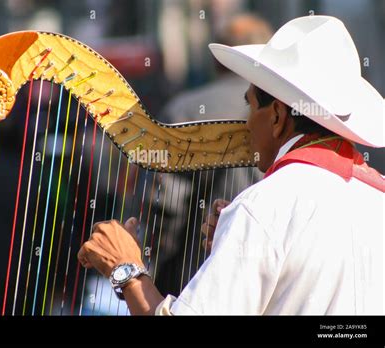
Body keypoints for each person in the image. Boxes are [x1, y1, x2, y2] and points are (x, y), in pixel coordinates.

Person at [78, 16, 385, 315]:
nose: (247, 123)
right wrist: (232, 254)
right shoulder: (376, 199)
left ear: (277, 116)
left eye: (250, 105)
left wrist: (126, 270)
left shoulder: (263, 207)